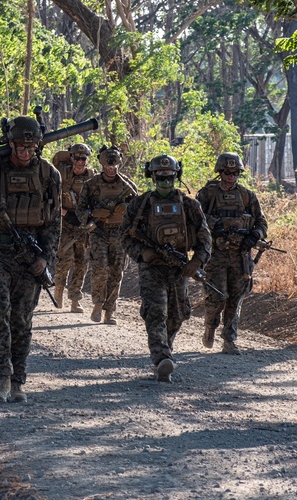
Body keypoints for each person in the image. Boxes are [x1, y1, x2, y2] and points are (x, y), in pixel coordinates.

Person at [0, 116, 61, 402]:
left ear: (37, 146)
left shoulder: (48, 174)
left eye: (30, 146)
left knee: (21, 318)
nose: (24, 151)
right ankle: (1, 376)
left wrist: (46, 259)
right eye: (19, 146)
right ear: (10, 144)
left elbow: (54, 223)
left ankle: (18, 378)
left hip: (30, 254)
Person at [122, 155, 212, 383]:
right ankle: (161, 357)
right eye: (160, 178)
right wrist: (142, 253)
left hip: (179, 269)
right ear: (152, 177)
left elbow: (205, 237)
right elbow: (124, 237)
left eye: (169, 178)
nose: (165, 183)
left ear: (176, 177)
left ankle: (166, 346)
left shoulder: (190, 205)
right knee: (155, 311)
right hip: (151, 269)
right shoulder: (139, 205)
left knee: (177, 315)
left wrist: (197, 261)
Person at [195, 152, 268, 355]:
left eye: (235, 173)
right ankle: (210, 326)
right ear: (220, 172)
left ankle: (229, 340)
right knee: (217, 296)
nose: (231, 177)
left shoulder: (246, 196)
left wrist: (254, 235)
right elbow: (193, 218)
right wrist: (213, 225)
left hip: (240, 255)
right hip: (215, 254)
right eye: (227, 172)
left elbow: (262, 222)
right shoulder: (207, 195)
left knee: (236, 298)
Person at [77, 145, 138, 325]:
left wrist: (126, 210)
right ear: (102, 165)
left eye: (114, 166)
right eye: (107, 166)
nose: (111, 169)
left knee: (116, 272)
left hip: (119, 234)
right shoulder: (91, 185)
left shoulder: (128, 186)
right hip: (99, 232)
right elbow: (80, 210)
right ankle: (97, 304)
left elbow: (138, 211)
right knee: (100, 269)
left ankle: (109, 310)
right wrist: (93, 214)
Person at [53, 142, 95, 313]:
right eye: (76, 157)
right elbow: (50, 195)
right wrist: (63, 213)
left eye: (83, 158)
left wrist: (90, 218)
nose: (79, 161)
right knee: (65, 259)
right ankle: (58, 292)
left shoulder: (92, 176)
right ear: (71, 157)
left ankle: (75, 298)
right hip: (65, 221)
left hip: (83, 224)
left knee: (82, 262)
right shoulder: (61, 173)